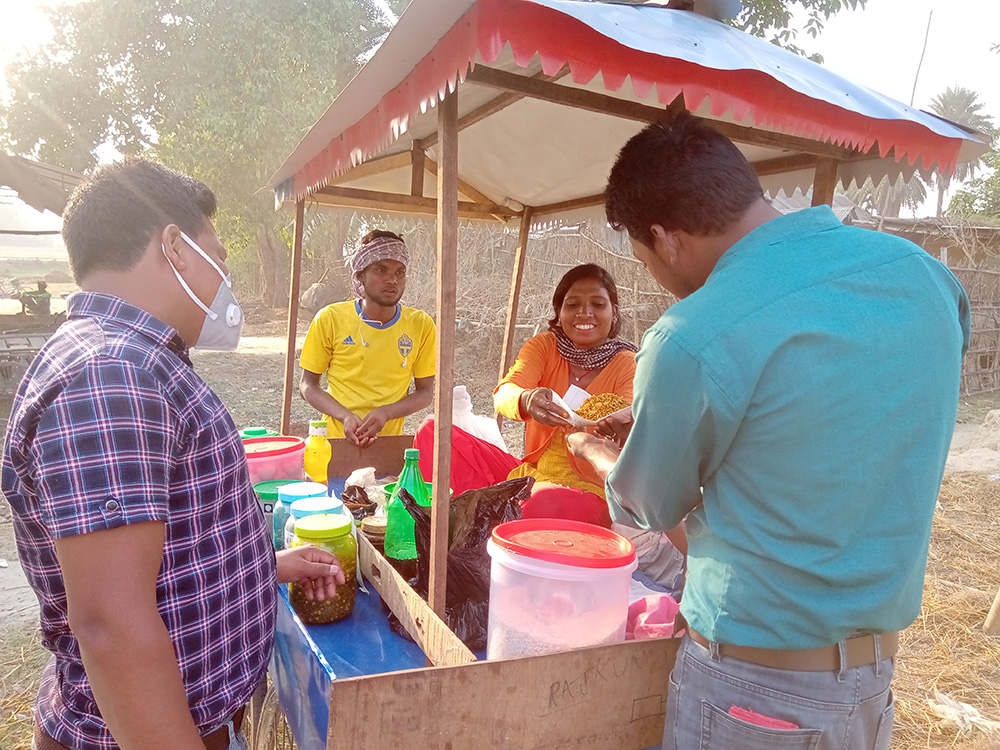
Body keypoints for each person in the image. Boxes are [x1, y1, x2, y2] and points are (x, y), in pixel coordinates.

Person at [568, 114, 970, 749]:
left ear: (664, 239)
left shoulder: (689, 336)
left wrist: (598, 452)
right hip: (871, 682)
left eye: (643, 257)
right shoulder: (925, 277)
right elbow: (829, 419)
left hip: (752, 690)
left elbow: (649, 504)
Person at [2, 159, 345, 750]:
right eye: (219, 261)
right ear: (176, 248)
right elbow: (112, 624)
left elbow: (164, 550)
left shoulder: (131, 361)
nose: (224, 285)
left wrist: (264, 567)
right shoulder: (114, 376)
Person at [299, 230, 436, 447]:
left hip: (389, 446)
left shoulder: (421, 324)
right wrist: (344, 417)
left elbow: (426, 392)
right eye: (381, 270)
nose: (392, 280)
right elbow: (308, 385)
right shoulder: (330, 318)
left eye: (400, 272)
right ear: (360, 275)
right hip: (335, 444)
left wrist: (386, 413)